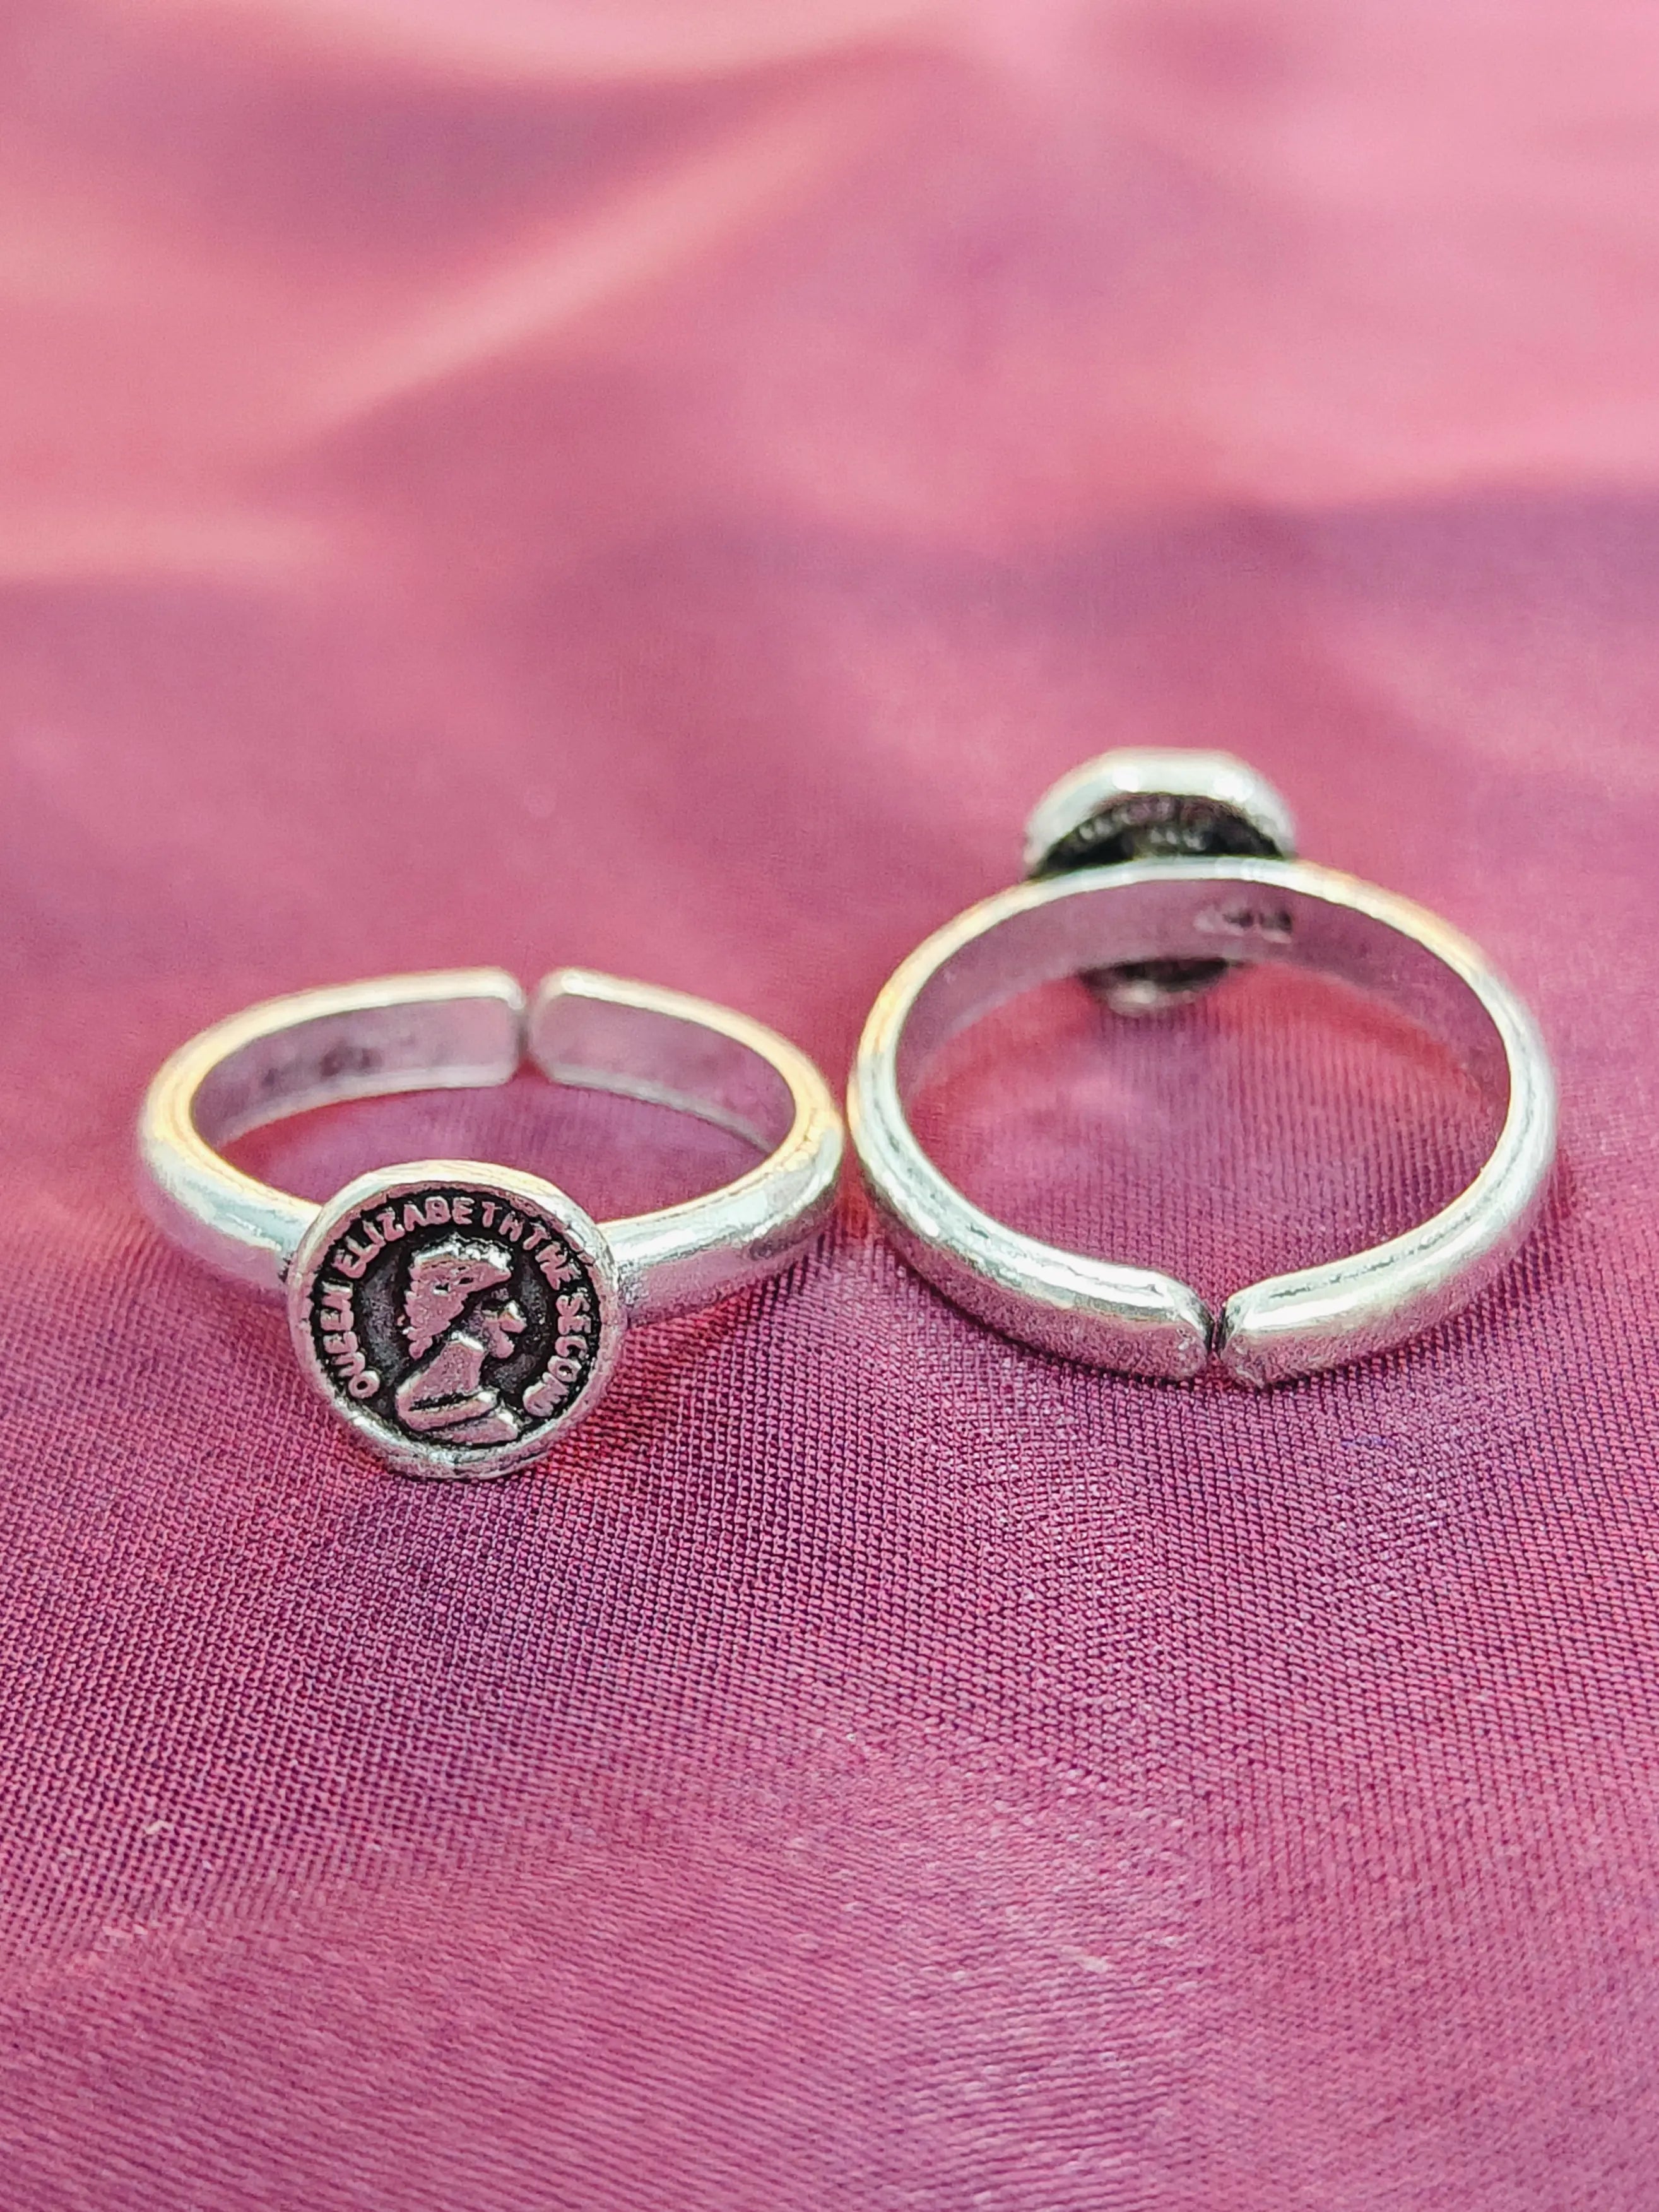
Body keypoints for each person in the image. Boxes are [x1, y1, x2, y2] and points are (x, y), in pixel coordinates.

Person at [393, 1239, 528, 1446]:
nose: (517, 1320)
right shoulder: (460, 1355)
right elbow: (407, 1410)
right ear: (463, 1314)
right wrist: (478, 1406)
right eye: (496, 1306)